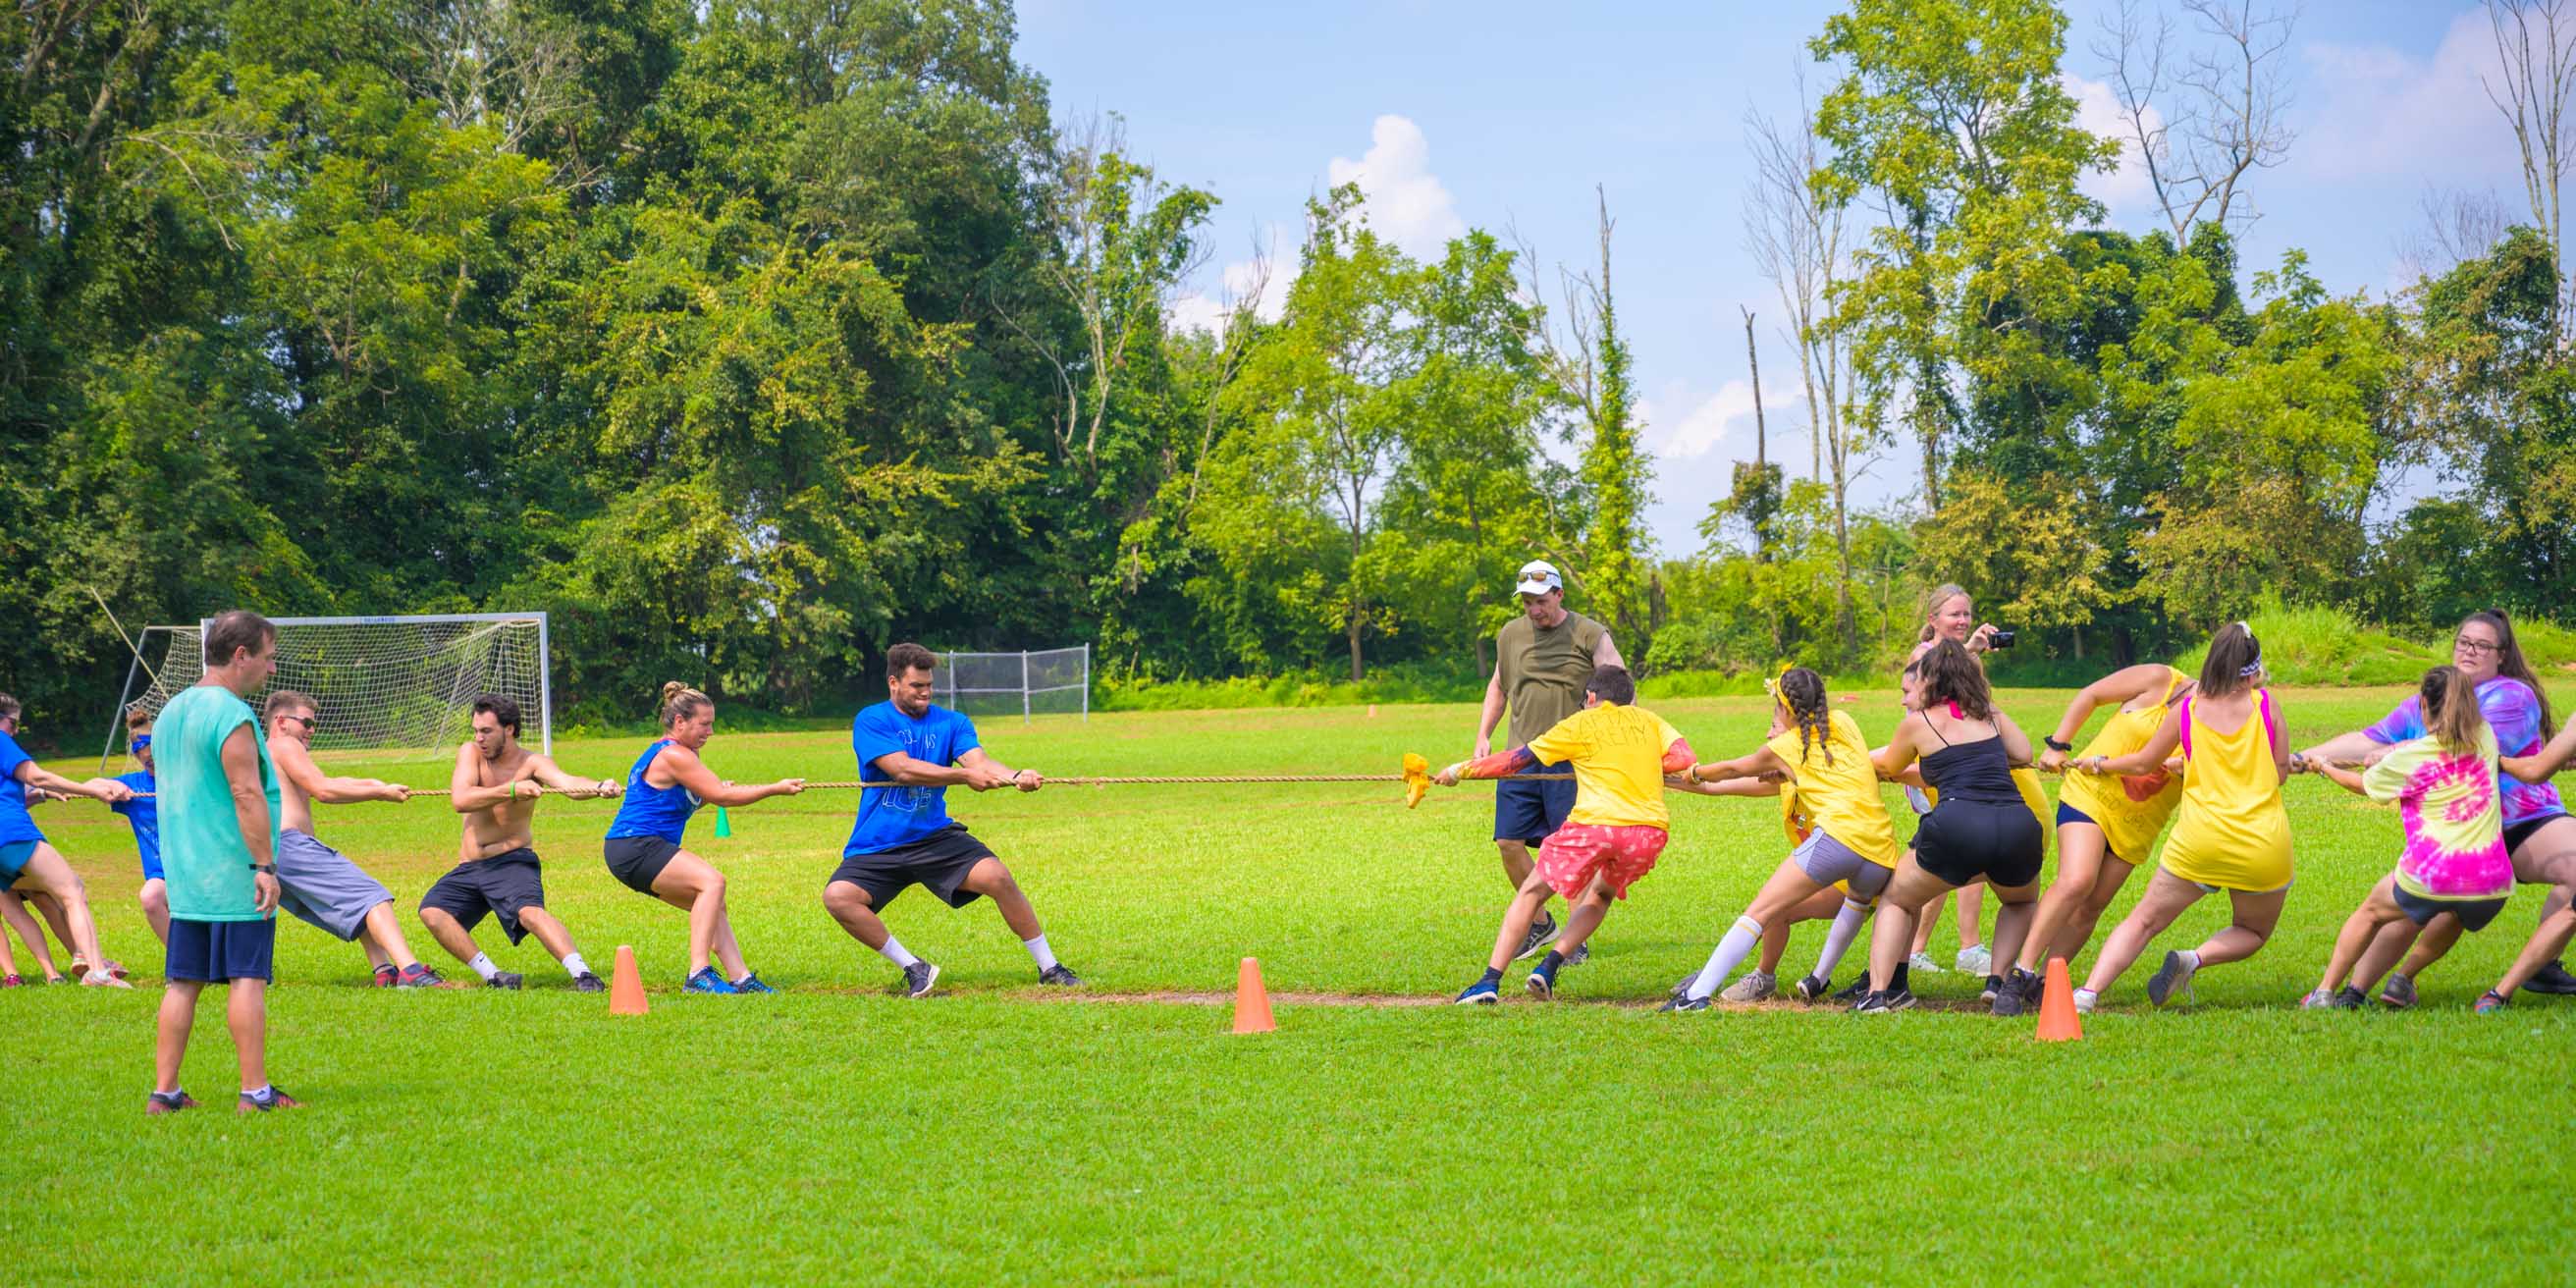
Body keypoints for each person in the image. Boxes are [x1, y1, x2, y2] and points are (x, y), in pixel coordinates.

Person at [2298, 609, 2576, 1006]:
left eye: (2483, 645)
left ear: (2501, 655)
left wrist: (2389, 754)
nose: (2471, 651)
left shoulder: (2511, 695)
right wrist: (2304, 756)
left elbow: (2455, 746)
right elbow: (2368, 738)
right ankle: (2362, 989)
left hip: (2527, 820)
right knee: (2423, 908)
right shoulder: (2428, 699)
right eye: (2464, 642)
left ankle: (2542, 965)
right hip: (2464, 833)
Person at [826, 644, 1081, 997]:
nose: (926, 693)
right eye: (917, 686)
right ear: (894, 682)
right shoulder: (873, 720)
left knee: (997, 877)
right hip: (879, 841)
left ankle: (1049, 967)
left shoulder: (951, 722)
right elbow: (902, 769)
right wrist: (963, 777)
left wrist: (1015, 775)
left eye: (929, 685)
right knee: (838, 898)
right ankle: (914, 967)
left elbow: (980, 762)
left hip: (933, 836)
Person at [1440, 664, 1692, 1003]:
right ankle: (1549, 966)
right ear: (1630, 699)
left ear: (1590, 697)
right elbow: (1684, 757)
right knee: (1600, 896)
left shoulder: (1579, 723)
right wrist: (1641, 764)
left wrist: (1460, 771)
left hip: (1594, 827)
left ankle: (1488, 982)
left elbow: (1517, 761)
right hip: (1646, 835)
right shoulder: (1650, 720)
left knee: (1532, 893)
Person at [2074, 622, 2292, 1011]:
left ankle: (2087, 994)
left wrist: (2099, 763)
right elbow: (2278, 773)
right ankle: (2194, 959)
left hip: (2199, 842)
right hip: (2262, 843)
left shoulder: (2189, 707)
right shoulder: (2266, 704)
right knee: (2253, 931)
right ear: (2253, 669)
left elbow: (2142, 764)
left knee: (2143, 921)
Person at [1660, 668, 1899, 1011]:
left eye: (1774, 714)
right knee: (1857, 904)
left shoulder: (1787, 746)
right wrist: (1669, 780)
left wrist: (1694, 771)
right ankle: (1822, 978)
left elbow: (1729, 770)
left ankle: (1696, 996)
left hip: (1839, 838)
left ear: (1785, 709)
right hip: (1881, 852)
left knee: (1759, 912)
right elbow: (1729, 786)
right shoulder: (1845, 722)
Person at [148, 610, 294, 1114]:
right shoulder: (231, 714)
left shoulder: (171, 711)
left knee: (183, 982)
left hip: (186, 875)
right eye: (268, 658)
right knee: (247, 977)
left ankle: (164, 1093)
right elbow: (245, 792)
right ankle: (255, 1092)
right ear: (240, 656)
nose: (271, 670)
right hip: (234, 874)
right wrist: (264, 867)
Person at [1851, 641, 2044, 1013]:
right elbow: (2023, 754)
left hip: (1959, 823)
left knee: (1897, 898)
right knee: (2020, 902)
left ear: (1931, 682)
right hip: (2017, 824)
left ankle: (1877, 994)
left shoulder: (1918, 723)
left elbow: (1890, 766)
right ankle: (1998, 983)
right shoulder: (1988, 714)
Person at [2302, 667, 2512, 1008]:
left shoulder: (2412, 758)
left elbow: (2363, 784)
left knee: (2369, 913)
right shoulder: (2486, 735)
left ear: (2423, 703)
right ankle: (2402, 982)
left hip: (2432, 875)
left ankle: (2324, 993)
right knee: (2456, 914)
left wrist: (2323, 766)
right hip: (2492, 883)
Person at [1997, 662, 2194, 1015]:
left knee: (2092, 905)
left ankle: (2045, 980)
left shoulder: (2221, 719)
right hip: (2090, 793)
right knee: (2077, 880)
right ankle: (2020, 973)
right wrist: (2058, 744)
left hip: (2138, 821)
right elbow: (2092, 694)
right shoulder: (2161, 679)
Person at [604, 683, 802, 993]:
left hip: (633, 849)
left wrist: (708, 795)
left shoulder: (683, 754)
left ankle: (741, 978)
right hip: (635, 845)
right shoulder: (674, 755)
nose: (710, 731)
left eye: (711, 723)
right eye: (704, 724)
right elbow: (723, 796)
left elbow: (685, 802)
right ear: (680, 722)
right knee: (712, 882)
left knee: (712, 903)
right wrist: (774, 788)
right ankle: (699, 974)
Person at [1473, 559, 1624, 962]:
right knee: (1508, 841)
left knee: (1572, 851)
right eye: (1526, 602)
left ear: (1559, 594)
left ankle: (1573, 944)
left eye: (1540, 601)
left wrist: (1612, 741)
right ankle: (1540, 925)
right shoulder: (1510, 634)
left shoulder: (1589, 633)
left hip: (1572, 762)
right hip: (1521, 756)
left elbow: (1619, 688)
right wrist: (1484, 734)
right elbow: (1499, 686)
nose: (1534, 609)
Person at [1900, 583, 2051, 984]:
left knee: (1972, 856)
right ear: (1932, 620)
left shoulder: (1968, 658)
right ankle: (1920, 947)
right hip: (1943, 767)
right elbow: (1940, 686)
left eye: (1966, 614)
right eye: (1954, 614)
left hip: (1973, 765)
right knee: (1945, 858)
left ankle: (1964, 945)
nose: (1963, 621)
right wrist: (1970, 650)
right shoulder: (1922, 658)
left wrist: (1971, 651)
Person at [423, 693, 615, 991]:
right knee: (433, 912)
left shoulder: (532, 763)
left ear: (509, 729)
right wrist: (511, 789)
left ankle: (583, 974)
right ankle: (495, 977)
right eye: (476, 731)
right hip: (470, 865)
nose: (479, 738)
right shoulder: (470, 754)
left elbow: (569, 785)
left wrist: (599, 786)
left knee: (529, 913)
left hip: (511, 860)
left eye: (486, 731)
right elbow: (461, 800)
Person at [260, 690, 448, 987]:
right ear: (281, 721)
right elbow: (323, 790)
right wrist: (380, 793)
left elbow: (329, 782)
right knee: (372, 897)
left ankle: (384, 971)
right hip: (291, 845)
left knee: (354, 904)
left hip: (269, 855)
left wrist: (375, 785)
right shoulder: (285, 744)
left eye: (314, 725)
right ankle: (411, 971)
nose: (311, 731)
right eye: (306, 723)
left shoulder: (263, 751)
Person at [0, 691, 135, 989]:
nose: (15, 731)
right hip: (11, 834)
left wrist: (44, 795)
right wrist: (94, 791)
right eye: (13, 723)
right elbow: (38, 777)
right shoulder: (1, 742)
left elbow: (25, 791)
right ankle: (97, 972)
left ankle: (85, 955)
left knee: (45, 893)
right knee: (72, 891)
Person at [103, 706, 169, 944]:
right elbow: (92, 785)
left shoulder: (187, 778)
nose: (152, 763)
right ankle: (183, 964)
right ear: (137, 757)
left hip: (198, 871)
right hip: (163, 874)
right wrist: (110, 787)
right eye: (147, 761)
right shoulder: (134, 786)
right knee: (150, 897)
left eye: (156, 757)